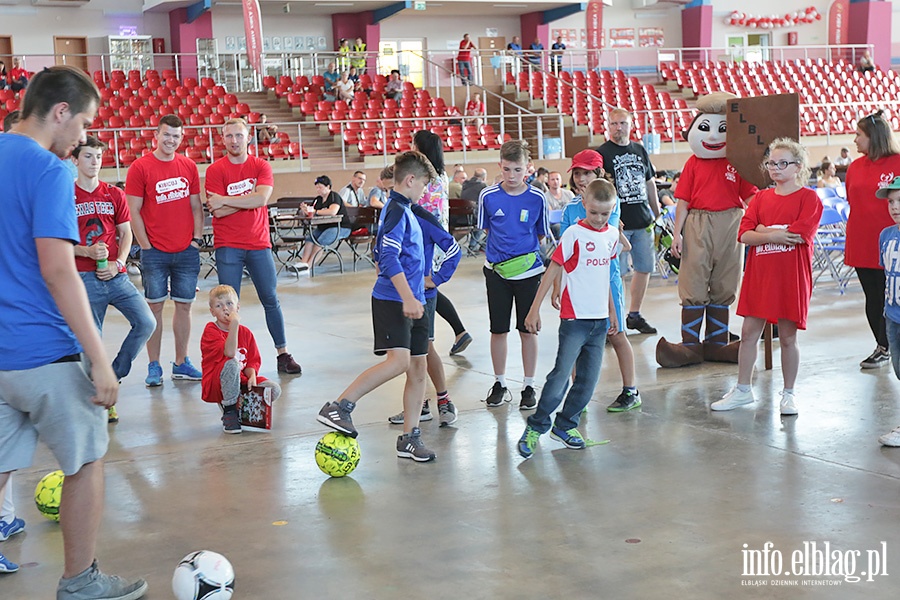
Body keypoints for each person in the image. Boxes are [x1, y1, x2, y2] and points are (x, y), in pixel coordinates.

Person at [0, 65, 148, 599]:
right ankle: (80, 581)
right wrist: (100, 357)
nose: (85, 137)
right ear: (60, 112)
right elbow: (59, 270)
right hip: (45, 351)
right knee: (87, 460)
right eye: (83, 123)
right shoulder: (49, 170)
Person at [317, 151, 439, 462]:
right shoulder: (396, 210)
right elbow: (387, 257)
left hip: (415, 299)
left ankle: (409, 437)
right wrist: (408, 298)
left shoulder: (406, 210)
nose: (424, 191)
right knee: (398, 362)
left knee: (418, 366)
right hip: (394, 300)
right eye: (423, 185)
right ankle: (340, 405)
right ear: (410, 180)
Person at [712, 138, 822, 414]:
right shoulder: (761, 197)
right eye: (771, 163)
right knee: (749, 333)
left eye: (782, 163)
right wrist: (771, 233)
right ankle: (742, 389)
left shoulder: (809, 198)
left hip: (790, 276)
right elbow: (744, 234)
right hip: (760, 274)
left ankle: (789, 393)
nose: (775, 168)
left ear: (797, 167)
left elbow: (797, 234)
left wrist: (762, 230)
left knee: (787, 336)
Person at [517, 180, 620, 459]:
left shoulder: (611, 235)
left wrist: (612, 311)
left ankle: (565, 425)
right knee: (561, 376)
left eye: (605, 214)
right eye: (594, 212)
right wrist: (534, 309)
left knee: (588, 380)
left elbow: (609, 274)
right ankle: (536, 426)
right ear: (584, 204)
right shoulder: (573, 233)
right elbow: (553, 269)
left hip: (599, 322)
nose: (599, 219)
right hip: (575, 320)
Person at [657, 92, 758, 368]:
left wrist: (766, 215)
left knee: (726, 280)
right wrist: (676, 234)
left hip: (731, 223)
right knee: (694, 280)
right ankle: (690, 345)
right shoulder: (692, 164)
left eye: (722, 130)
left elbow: (750, 197)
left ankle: (717, 342)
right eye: (705, 128)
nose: (713, 136)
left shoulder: (736, 163)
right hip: (698, 224)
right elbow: (683, 203)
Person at [204, 117, 302, 375]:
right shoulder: (215, 170)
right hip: (228, 245)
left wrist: (227, 200)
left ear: (249, 138)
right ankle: (231, 359)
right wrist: (244, 201)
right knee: (227, 305)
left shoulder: (261, 165)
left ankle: (282, 354)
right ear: (222, 139)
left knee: (270, 298)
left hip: (258, 243)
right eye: (229, 136)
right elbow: (217, 211)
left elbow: (261, 199)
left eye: (239, 135)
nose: (234, 140)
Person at [73, 136, 157, 424]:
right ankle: (99, 399)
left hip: (115, 274)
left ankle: (114, 376)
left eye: (97, 156)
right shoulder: (65, 196)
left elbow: (126, 233)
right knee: (90, 340)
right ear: (75, 160)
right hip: (84, 275)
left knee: (147, 322)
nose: (94, 162)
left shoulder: (113, 194)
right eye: (87, 156)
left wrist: (118, 263)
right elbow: (57, 242)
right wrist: (85, 250)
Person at [126, 114, 204, 387]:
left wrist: (195, 240)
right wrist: (146, 245)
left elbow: (197, 207)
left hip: (186, 251)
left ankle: (181, 363)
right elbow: (133, 211)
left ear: (181, 138)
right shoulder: (140, 167)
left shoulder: (189, 166)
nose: (170, 140)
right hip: (154, 252)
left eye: (176, 136)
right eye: (166, 134)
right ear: (156, 136)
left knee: (184, 307)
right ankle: (154, 365)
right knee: (154, 310)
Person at [561, 149, 640, 412]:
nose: (582, 178)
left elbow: (610, 240)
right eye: (578, 173)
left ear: (599, 174)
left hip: (606, 279)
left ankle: (631, 390)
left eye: (588, 173)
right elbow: (564, 248)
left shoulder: (611, 204)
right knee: (574, 340)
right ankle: (577, 398)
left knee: (616, 334)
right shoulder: (570, 208)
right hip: (577, 284)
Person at [478, 140, 549, 409]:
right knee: (498, 329)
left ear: (527, 169)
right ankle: (499, 382)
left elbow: (540, 235)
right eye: (506, 170)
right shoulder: (488, 196)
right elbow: (486, 230)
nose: (511, 176)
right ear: (499, 166)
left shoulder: (537, 198)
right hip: (496, 272)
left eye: (517, 170)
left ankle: (529, 385)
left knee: (527, 330)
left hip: (528, 273)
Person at [388, 183, 463, 427]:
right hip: (396, 296)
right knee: (409, 351)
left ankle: (443, 399)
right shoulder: (393, 214)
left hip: (423, 296)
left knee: (424, 349)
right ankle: (418, 406)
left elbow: (453, 249)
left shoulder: (423, 218)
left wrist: (436, 278)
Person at [597, 107, 661, 334]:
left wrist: (656, 210)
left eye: (622, 123)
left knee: (644, 268)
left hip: (643, 220)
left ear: (630, 125)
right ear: (608, 125)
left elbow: (650, 182)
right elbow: (598, 190)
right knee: (617, 273)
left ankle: (634, 314)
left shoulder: (639, 150)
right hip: (617, 224)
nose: (618, 128)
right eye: (614, 123)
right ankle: (613, 319)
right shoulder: (602, 153)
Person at [845, 110, 900, 368]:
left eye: (859, 134)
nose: (855, 140)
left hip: (893, 242)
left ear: (874, 136)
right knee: (873, 296)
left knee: (892, 295)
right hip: (862, 241)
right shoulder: (855, 167)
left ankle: (890, 345)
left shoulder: (898, 162)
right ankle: (883, 346)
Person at [414, 130, 473, 356]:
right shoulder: (441, 176)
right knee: (430, 289)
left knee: (428, 287)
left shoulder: (426, 179)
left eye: (414, 145)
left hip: (430, 242)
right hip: (438, 239)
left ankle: (439, 337)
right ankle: (460, 332)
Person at [200, 285, 282, 434]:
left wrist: (252, 377)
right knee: (232, 363)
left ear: (238, 307)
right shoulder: (211, 330)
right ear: (212, 312)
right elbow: (230, 353)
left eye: (229, 304)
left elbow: (252, 361)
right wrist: (234, 324)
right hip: (217, 382)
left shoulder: (246, 333)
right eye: (219, 306)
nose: (225, 309)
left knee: (273, 390)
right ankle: (229, 411)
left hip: (241, 380)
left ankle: (240, 408)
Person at [875, 178, 900, 446]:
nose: (894, 206)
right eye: (891, 201)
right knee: (899, 369)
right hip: (893, 314)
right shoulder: (886, 235)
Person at [294, 175, 351, 271]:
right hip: (324, 227)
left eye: (320, 187)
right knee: (309, 239)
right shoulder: (318, 200)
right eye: (316, 188)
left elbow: (333, 211)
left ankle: (308, 266)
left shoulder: (334, 196)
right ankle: (303, 263)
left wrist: (315, 211)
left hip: (340, 227)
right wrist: (305, 210)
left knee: (320, 241)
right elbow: (311, 211)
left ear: (328, 187)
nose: (318, 190)